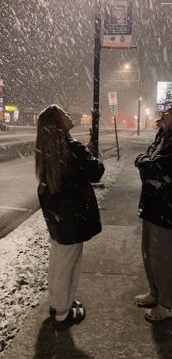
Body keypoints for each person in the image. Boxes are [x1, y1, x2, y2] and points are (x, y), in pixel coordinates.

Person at [35, 105, 104, 326]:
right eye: (63, 114)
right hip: (72, 217)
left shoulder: (49, 149)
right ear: (58, 123)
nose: (68, 115)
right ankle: (63, 313)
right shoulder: (72, 148)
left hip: (58, 216)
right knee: (68, 264)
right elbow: (96, 171)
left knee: (58, 261)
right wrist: (90, 154)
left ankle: (58, 302)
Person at [134, 104, 172, 322]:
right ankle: (155, 293)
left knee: (164, 256)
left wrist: (144, 164)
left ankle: (168, 304)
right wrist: (145, 163)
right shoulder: (163, 139)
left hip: (167, 206)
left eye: (168, 113)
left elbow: (154, 167)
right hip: (153, 204)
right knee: (149, 252)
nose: (163, 114)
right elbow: (147, 162)